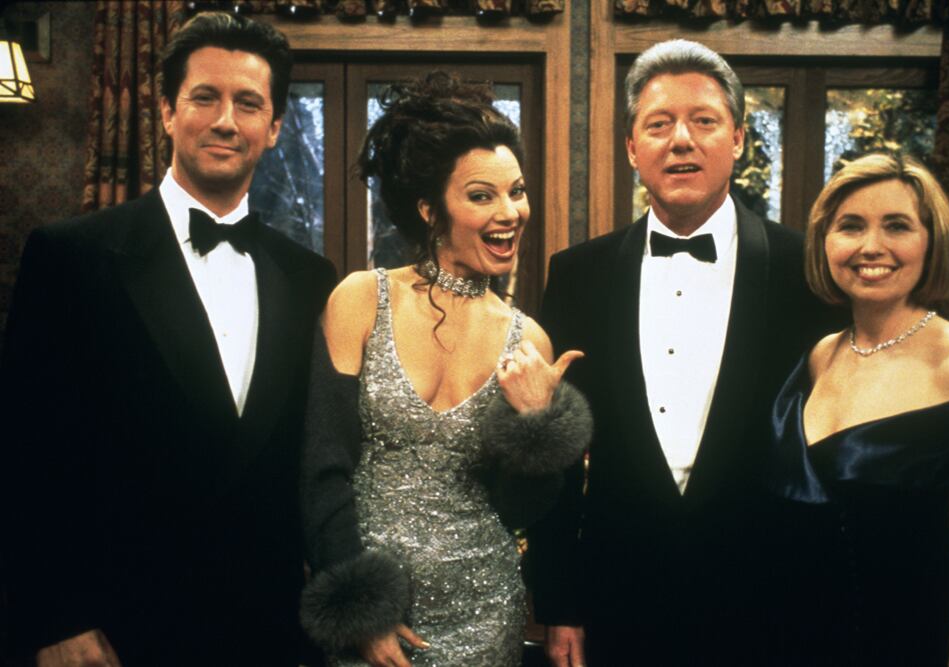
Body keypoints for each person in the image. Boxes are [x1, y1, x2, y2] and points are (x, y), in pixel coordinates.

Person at [0, 12, 336, 666]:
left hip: (267, 634)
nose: (225, 121)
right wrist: (56, 618)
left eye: (248, 104)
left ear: (273, 126)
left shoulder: (310, 278)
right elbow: (25, 450)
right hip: (115, 632)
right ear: (165, 112)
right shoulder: (72, 257)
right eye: (204, 97)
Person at [527, 39, 837, 666]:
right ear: (631, 147)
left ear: (739, 138)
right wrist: (559, 603)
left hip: (771, 605)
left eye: (704, 121)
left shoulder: (808, 272)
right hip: (619, 603)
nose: (681, 141)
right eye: (659, 124)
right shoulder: (577, 275)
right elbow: (554, 454)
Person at [298, 72, 592, 667]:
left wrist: (536, 422)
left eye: (517, 191)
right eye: (482, 196)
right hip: (373, 615)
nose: (511, 212)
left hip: (486, 614)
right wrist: (364, 613)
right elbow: (321, 469)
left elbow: (521, 511)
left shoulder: (529, 339)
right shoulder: (360, 300)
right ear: (430, 209)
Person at [765, 153, 949, 666]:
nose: (871, 246)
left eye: (897, 226)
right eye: (851, 226)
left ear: (931, 241)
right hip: (797, 643)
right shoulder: (821, 355)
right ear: (824, 242)